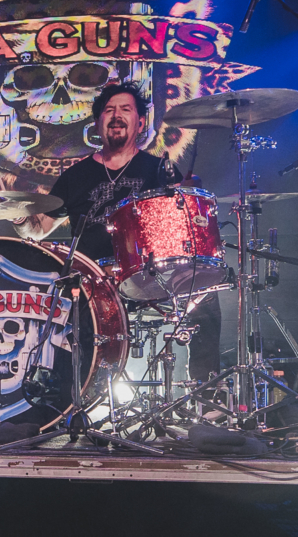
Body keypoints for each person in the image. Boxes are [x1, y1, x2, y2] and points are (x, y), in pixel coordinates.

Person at [17, 84, 221, 382]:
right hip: (95, 284)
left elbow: (181, 226)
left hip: (151, 274)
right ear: (97, 123)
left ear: (140, 123)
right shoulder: (75, 176)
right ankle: (80, 390)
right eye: (109, 111)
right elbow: (37, 230)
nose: (116, 116)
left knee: (204, 294)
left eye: (126, 110)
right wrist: (15, 214)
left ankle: (205, 391)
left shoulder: (159, 169)